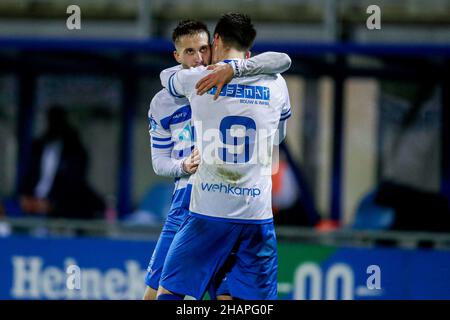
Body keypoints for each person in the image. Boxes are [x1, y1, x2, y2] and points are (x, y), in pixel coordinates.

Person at [143, 19, 291, 300]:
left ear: (216, 42)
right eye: (189, 52)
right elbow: (283, 62)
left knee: (171, 291)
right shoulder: (276, 82)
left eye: (203, 48)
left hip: (208, 207)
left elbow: (167, 77)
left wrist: (229, 70)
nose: (199, 58)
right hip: (249, 209)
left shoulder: (198, 80)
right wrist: (182, 166)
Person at [18, 105, 104, 220]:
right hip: (33, 200)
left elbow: (75, 181)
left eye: (56, 120)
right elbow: (28, 174)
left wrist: (51, 204)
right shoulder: (38, 147)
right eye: (51, 120)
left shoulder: (74, 150)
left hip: (60, 204)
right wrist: (26, 198)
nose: (53, 124)